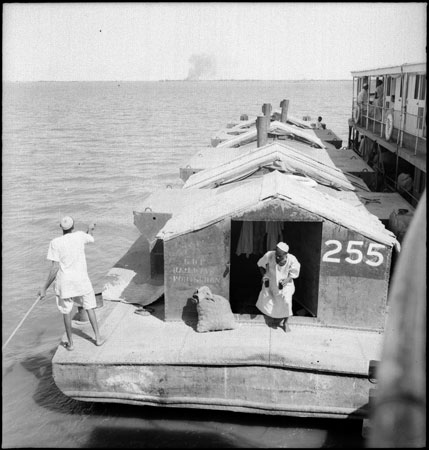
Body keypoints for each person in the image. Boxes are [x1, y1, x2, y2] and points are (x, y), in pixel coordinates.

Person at [38, 216, 104, 350]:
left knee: (66, 312)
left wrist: (44, 287)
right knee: (89, 307)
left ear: (60, 227)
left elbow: (55, 267)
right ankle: (97, 338)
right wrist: (90, 228)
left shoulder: (55, 243)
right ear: (73, 226)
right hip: (82, 281)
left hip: (65, 283)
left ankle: (71, 344)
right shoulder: (80, 236)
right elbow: (89, 237)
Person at [256, 242, 300, 332]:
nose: (277, 257)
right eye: (276, 254)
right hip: (271, 281)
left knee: (287, 301)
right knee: (268, 299)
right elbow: (260, 265)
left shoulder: (292, 259)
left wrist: (286, 280)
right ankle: (272, 318)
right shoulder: (269, 255)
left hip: (286, 283)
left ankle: (286, 322)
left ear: (286, 255)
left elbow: (293, 274)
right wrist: (264, 275)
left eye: (280, 256)